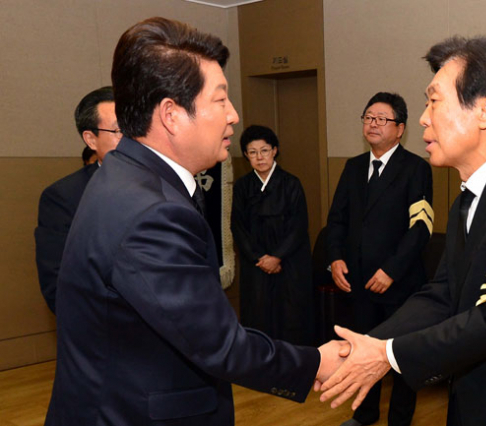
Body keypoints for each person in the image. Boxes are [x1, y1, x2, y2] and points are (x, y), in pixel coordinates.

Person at [45, 17, 345, 426]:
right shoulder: (151, 210)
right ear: (171, 114)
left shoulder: (122, 176)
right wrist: (317, 362)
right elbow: (219, 344)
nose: (234, 116)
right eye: (221, 101)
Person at [320, 36, 486, 426]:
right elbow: (444, 294)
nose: (424, 118)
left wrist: (385, 356)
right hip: (472, 403)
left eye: (434, 100)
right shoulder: (470, 195)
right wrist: (368, 344)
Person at [326, 92, 433, 426]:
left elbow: (421, 228)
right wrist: (335, 259)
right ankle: (364, 415)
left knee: (400, 356)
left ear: (400, 129)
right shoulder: (353, 167)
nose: (373, 124)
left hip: (399, 283)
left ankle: (400, 421)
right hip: (358, 281)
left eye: (381, 119)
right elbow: (337, 220)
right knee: (361, 352)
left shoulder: (416, 168)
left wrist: (392, 269)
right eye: (368, 117)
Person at [34, 86, 121, 314]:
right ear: (91, 140)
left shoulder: (169, 183)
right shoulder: (64, 198)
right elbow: (60, 289)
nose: (133, 139)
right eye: (120, 130)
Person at [231, 124, 314, 345]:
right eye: (253, 152)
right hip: (256, 265)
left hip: (288, 264)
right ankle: (262, 372)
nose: (259, 157)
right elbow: (237, 227)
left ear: (275, 150)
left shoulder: (291, 184)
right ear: (246, 155)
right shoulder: (242, 187)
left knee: (291, 318)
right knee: (258, 317)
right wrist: (260, 258)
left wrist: (277, 257)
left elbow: (299, 226)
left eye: (264, 150)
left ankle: (293, 371)